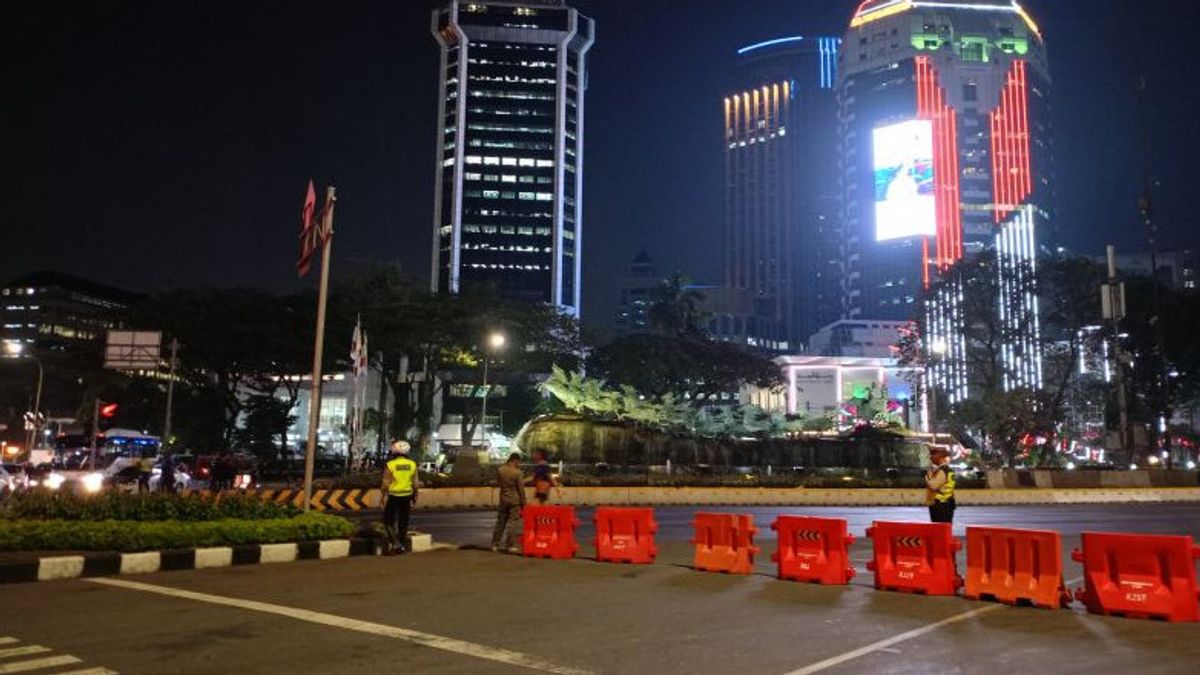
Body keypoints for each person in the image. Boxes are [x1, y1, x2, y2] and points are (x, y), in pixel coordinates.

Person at [381, 440, 419, 555]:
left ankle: (396, 543)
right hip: (407, 496)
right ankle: (401, 546)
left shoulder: (390, 464)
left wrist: (383, 496)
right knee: (403, 522)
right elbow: (416, 484)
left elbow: (385, 483)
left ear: (394, 451)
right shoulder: (412, 464)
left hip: (393, 496)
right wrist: (415, 496)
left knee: (387, 521)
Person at [492, 452, 525, 553]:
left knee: (500, 522)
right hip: (515, 501)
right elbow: (521, 489)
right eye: (518, 462)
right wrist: (524, 503)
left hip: (503, 499)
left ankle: (495, 544)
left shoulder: (500, 470)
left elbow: (499, 483)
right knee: (513, 523)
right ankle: (509, 545)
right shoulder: (517, 472)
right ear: (515, 460)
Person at [924, 446, 956, 524]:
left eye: (933, 455)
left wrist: (928, 476)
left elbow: (934, 486)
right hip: (946, 502)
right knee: (944, 528)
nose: (931, 458)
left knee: (939, 529)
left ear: (940, 457)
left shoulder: (942, 471)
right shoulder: (947, 470)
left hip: (940, 505)